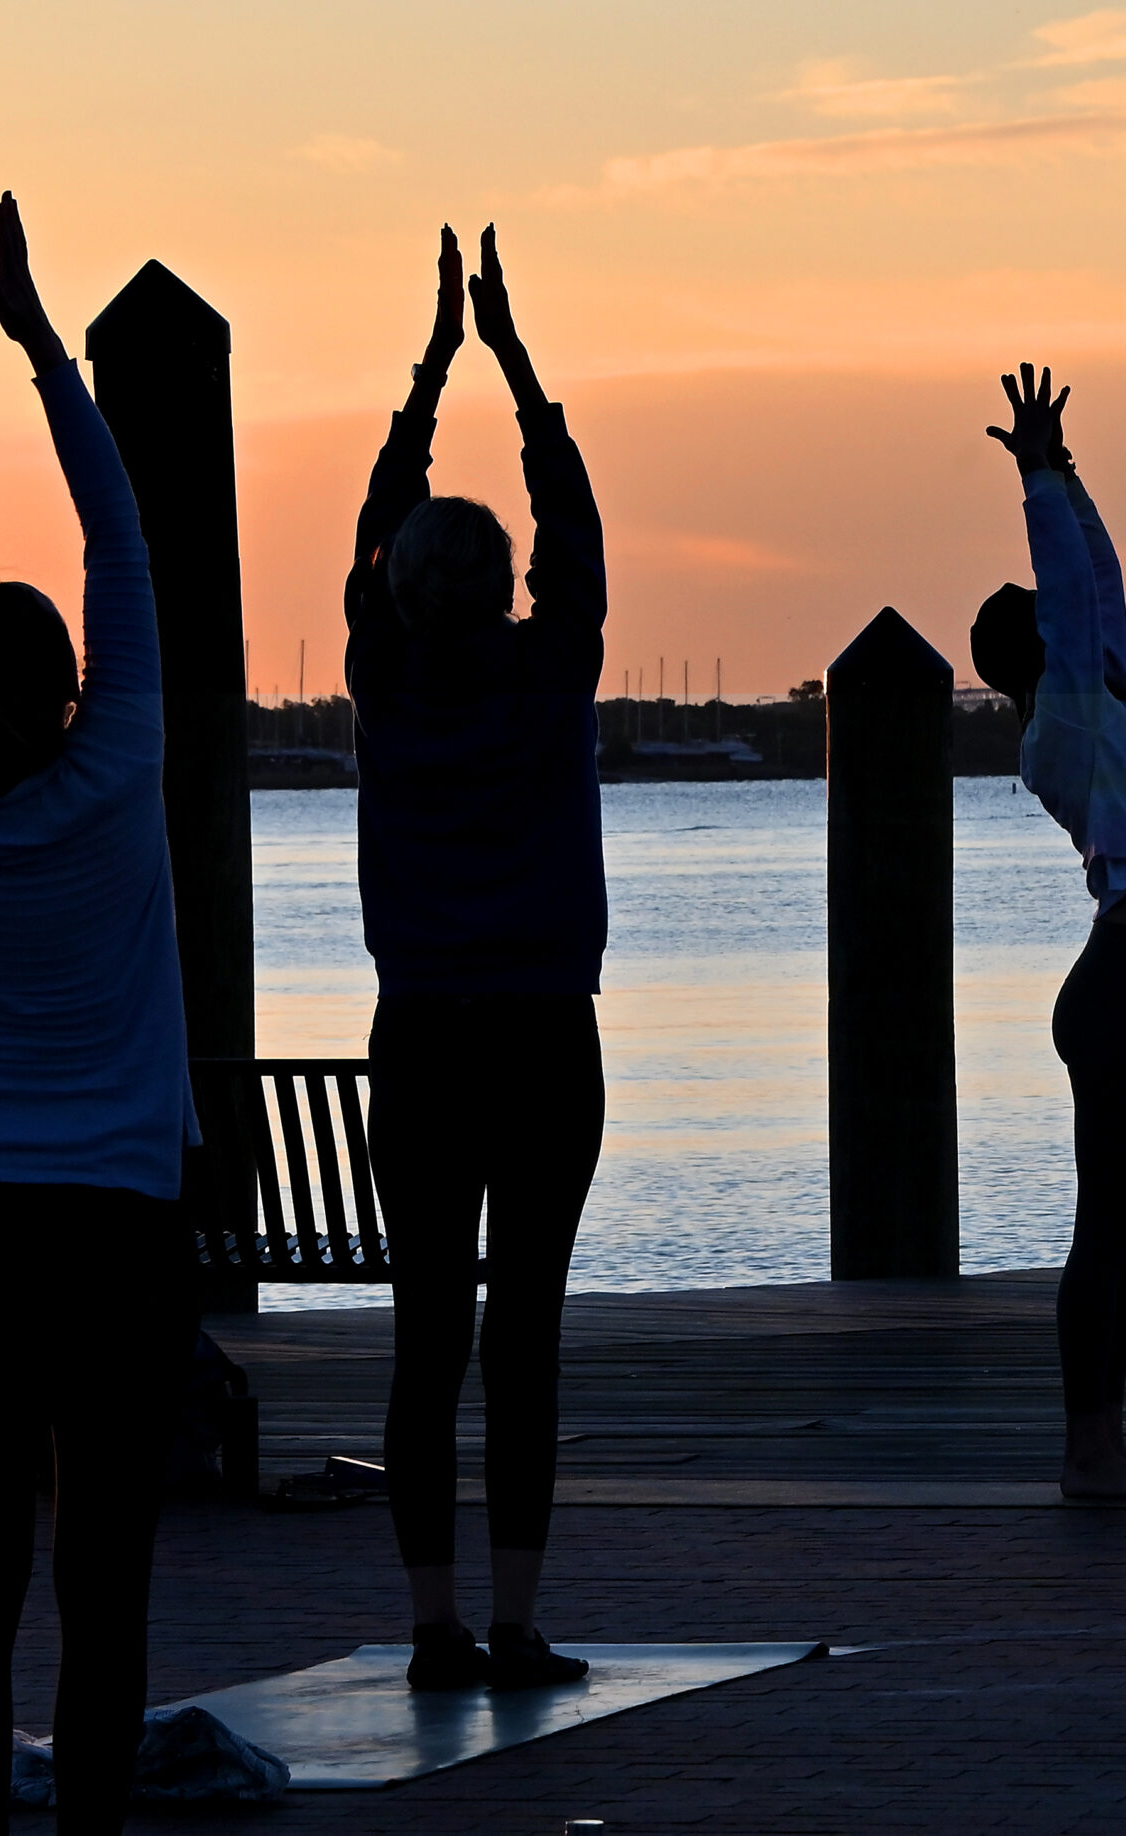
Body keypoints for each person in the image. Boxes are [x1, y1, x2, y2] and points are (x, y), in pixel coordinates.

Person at [0, 190, 200, 1836]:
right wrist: (38, 348)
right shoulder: (125, 763)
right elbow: (123, 538)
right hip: (116, 1234)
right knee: (105, 1588)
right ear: (76, 680)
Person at [345, 224, 608, 1691]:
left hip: (422, 1038)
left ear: (395, 591)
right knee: (529, 1330)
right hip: (542, 1034)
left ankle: (433, 1626)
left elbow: (374, 530)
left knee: (425, 1334)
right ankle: (515, 1620)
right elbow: (578, 534)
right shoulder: (550, 668)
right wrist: (515, 364)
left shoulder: (382, 678)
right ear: (504, 586)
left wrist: (431, 362)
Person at [971, 364, 1126, 1501]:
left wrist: (1066, 470)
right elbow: (1071, 592)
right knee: (1107, 1227)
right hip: (1124, 990)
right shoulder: (1061, 727)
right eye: (1053, 630)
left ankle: (1104, 1446)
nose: (1075, 627)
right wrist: (1031, 479)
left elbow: (1097, 585)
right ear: (1037, 660)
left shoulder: (1104, 705)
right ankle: (1089, 1453)